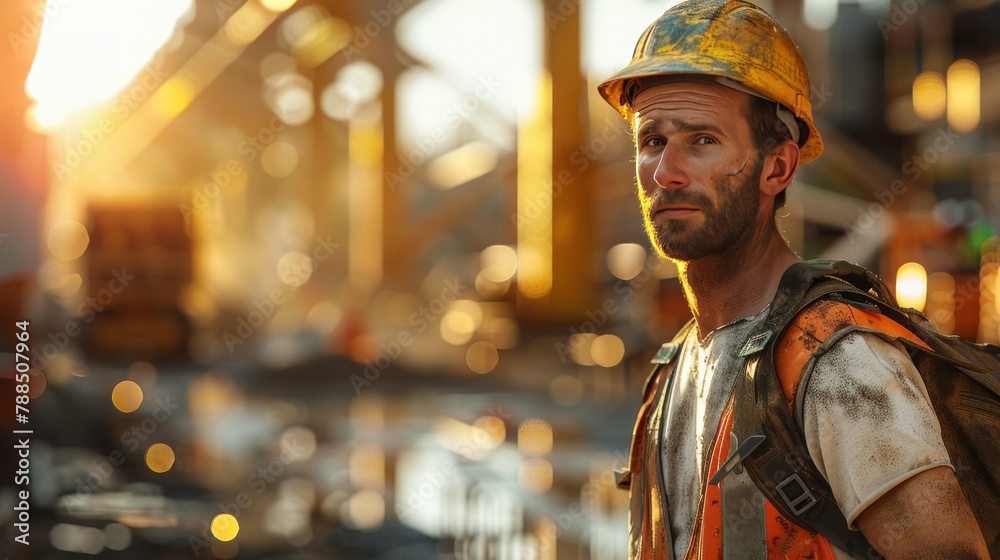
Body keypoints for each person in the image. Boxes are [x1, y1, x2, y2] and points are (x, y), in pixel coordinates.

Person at [597, 0, 990, 558]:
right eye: (652, 141)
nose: (666, 173)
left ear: (777, 167)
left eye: (702, 140)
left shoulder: (838, 362)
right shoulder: (674, 366)